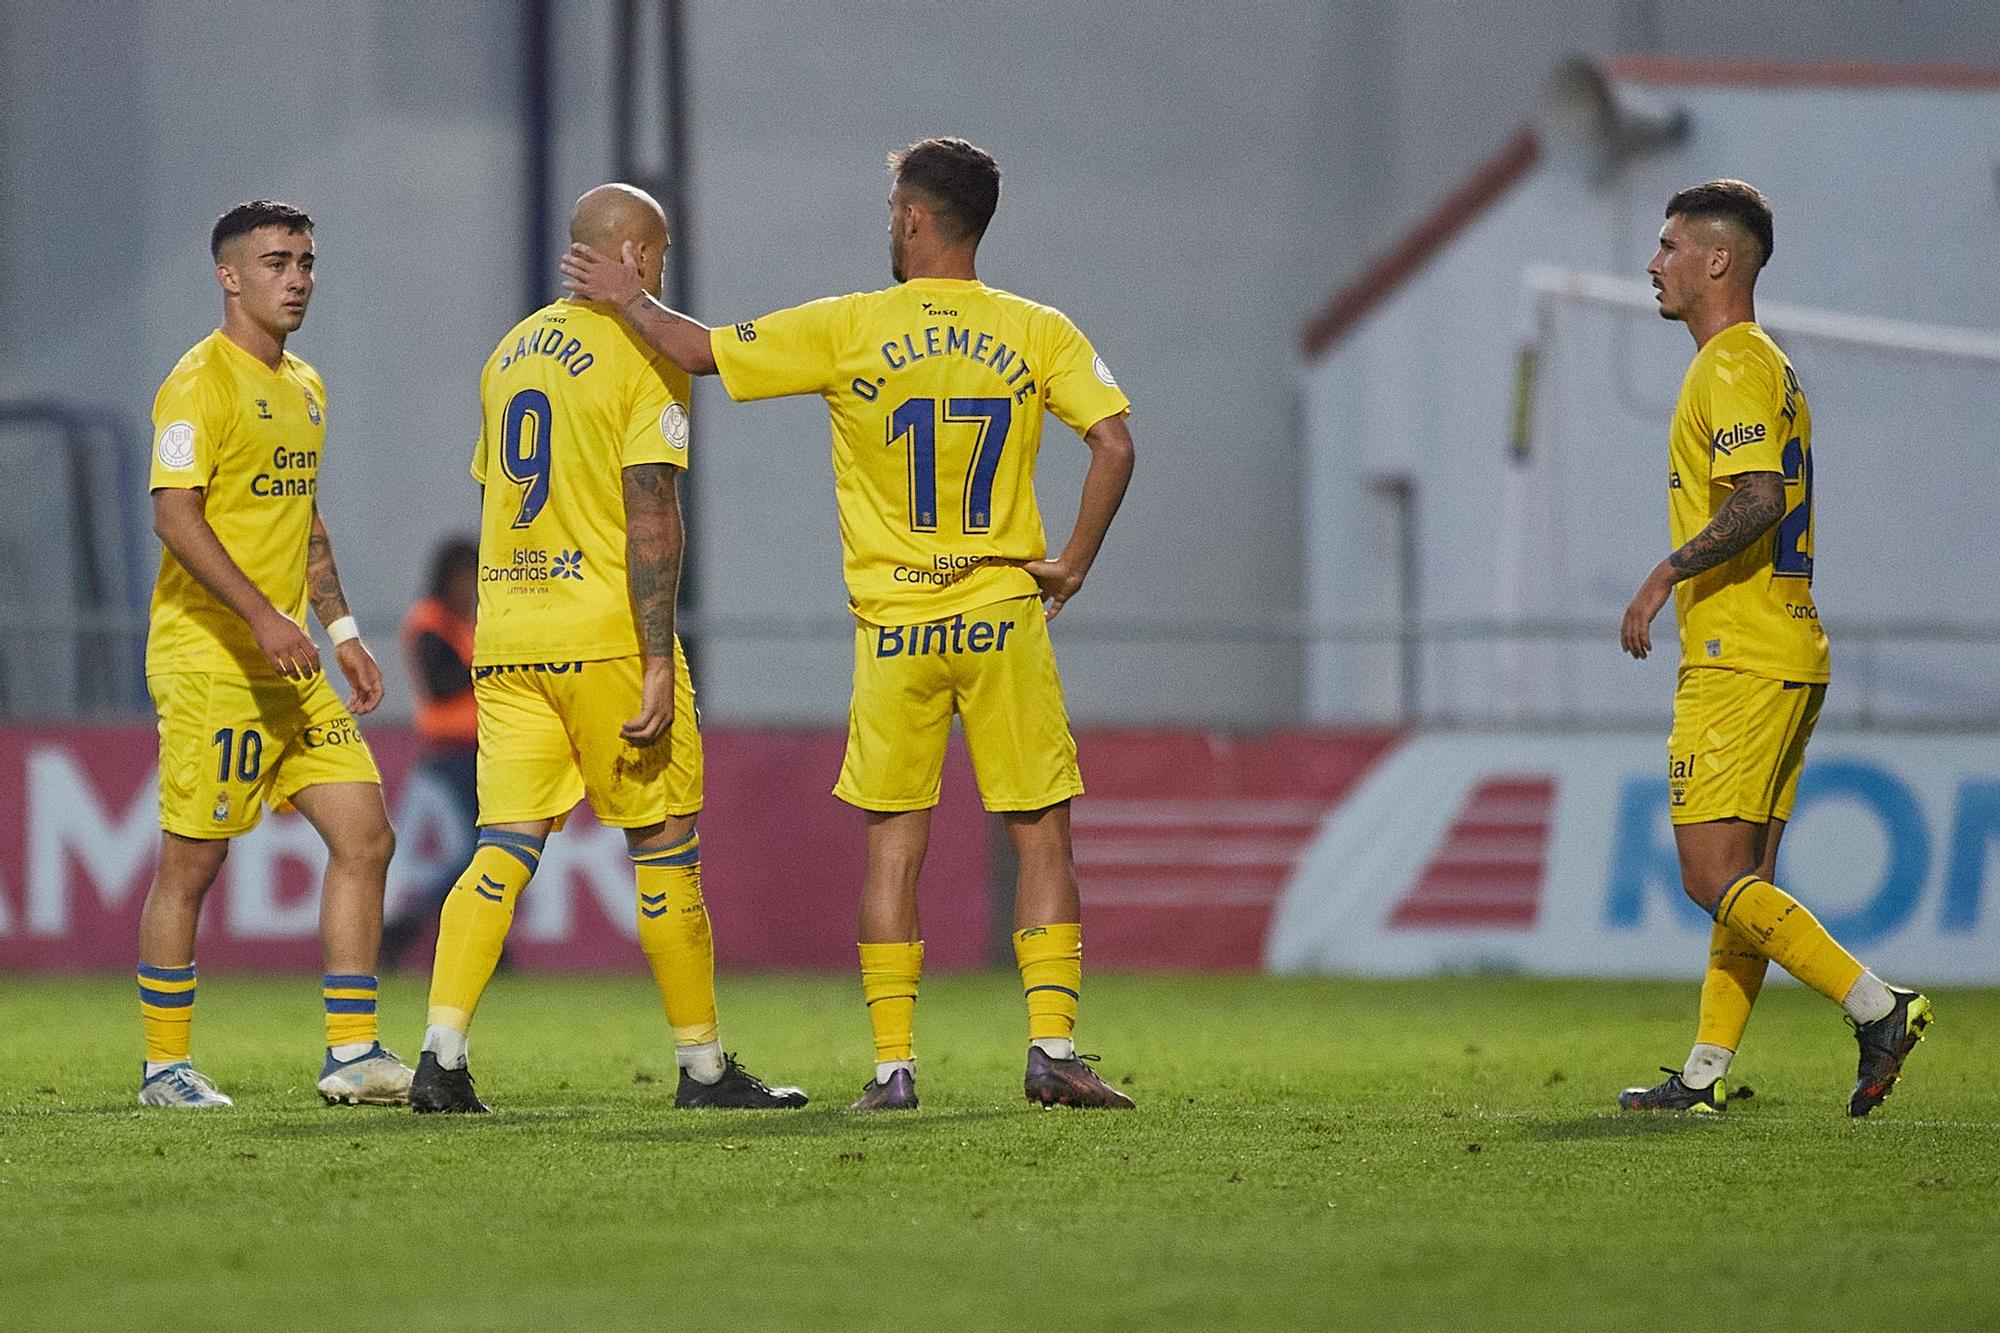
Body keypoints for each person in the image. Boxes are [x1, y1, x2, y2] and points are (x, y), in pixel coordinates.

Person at [562, 137, 1139, 1111]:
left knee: (893, 847)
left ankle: (892, 1067)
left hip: (896, 627)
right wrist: (1072, 561)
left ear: (913, 219)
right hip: (1001, 612)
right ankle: (1051, 1049)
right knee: (1041, 836)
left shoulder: (851, 327)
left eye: (890, 212)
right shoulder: (1038, 330)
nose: (887, 226)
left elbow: (698, 351)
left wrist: (626, 300)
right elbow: (1114, 441)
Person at [409, 183, 807, 1114]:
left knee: (502, 848)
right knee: (665, 849)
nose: (662, 273)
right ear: (630, 256)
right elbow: (651, 511)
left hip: (508, 638)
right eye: (658, 256)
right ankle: (705, 1070)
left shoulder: (508, 353)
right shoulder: (642, 348)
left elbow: (494, 501)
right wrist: (659, 655)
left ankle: (441, 1055)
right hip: (602, 637)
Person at [1617, 180, 1930, 1116]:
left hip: (1741, 654)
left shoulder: (1730, 365)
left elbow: (1758, 499)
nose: (1653, 263)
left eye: (1669, 244)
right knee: (1743, 884)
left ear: (1718, 259)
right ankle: (1705, 1075)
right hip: (1787, 648)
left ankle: (1879, 1006)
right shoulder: (1772, 367)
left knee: (1709, 876)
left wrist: (1666, 571)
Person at [138, 200, 411, 1108]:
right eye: (275, 262)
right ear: (230, 276)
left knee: (366, 835)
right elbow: (176, 512)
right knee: (193, 861)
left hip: (292, 665)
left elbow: (304, 519)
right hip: (213, 659)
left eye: (304, 260)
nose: (296, 277)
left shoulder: (307, 385)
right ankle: (163, 1066)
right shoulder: (197, 383)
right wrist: (262, 616)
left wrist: (342, 632)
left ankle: (353, 1051)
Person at [378, 536, 481, 968]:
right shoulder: (429, 622)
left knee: (488, 853)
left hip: (480, 753)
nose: (471, 587)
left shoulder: (469, 625)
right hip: (448, 756)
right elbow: (441, 683)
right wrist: (495, 667)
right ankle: (404, 925)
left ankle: (490, 947)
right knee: (476, 855)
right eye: (465, 576)